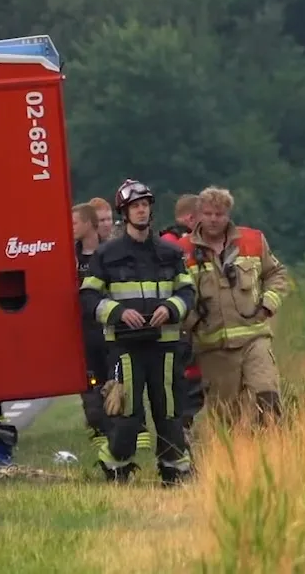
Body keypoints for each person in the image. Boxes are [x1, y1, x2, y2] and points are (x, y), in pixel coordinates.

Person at [78, 179, 196, 485]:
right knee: (126, 413)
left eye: (145, 205)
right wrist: (118, 312)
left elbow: (187, 292)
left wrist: (170, 308)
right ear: (124, 212)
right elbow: (88, 297)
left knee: (169, 412)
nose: (142, 211)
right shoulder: (107, 255)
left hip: (165, 345)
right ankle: (115, 466)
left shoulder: (170, 253)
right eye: (135, 207)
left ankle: (175, 470)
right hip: (125, 347)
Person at [187, 186, 292, 426]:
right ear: (199, 215)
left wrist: (268, 305)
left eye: (220, 214)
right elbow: (177, 294)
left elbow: (277, 274)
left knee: (267, 395)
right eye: (208, 213)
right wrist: (192, 322)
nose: (214, 219)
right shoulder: (183, 252)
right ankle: (236, 459)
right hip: (213, 347)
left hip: (254, 337)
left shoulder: (253, 240)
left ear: (228, 215)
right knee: (226, 418)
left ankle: (272, 449)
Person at [71, 202, 111, 464]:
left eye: (74, 223)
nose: (70, 228)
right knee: (89, 380)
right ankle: (97, 428)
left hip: (109, 326)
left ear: (88, 223)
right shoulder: (69, 255)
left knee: (115, 379)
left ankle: (124, 427)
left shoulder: (109, 254)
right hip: (83, 329)